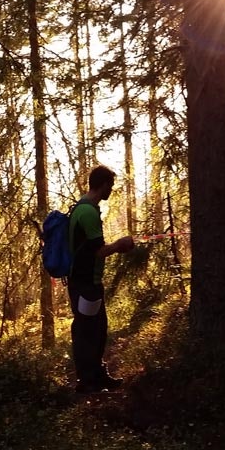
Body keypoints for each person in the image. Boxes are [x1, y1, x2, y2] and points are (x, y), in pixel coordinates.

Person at [66, 165, 134, 394]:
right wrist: (119, 245)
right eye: (111, 185)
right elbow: (98, 251)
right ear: (103, 184)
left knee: (96, 329)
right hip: (85, 283)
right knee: (88, 331)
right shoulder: (88, 212)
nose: (111, 190)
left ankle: (95, 375)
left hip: (86, 282)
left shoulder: (85, 208)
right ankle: (87, 382)